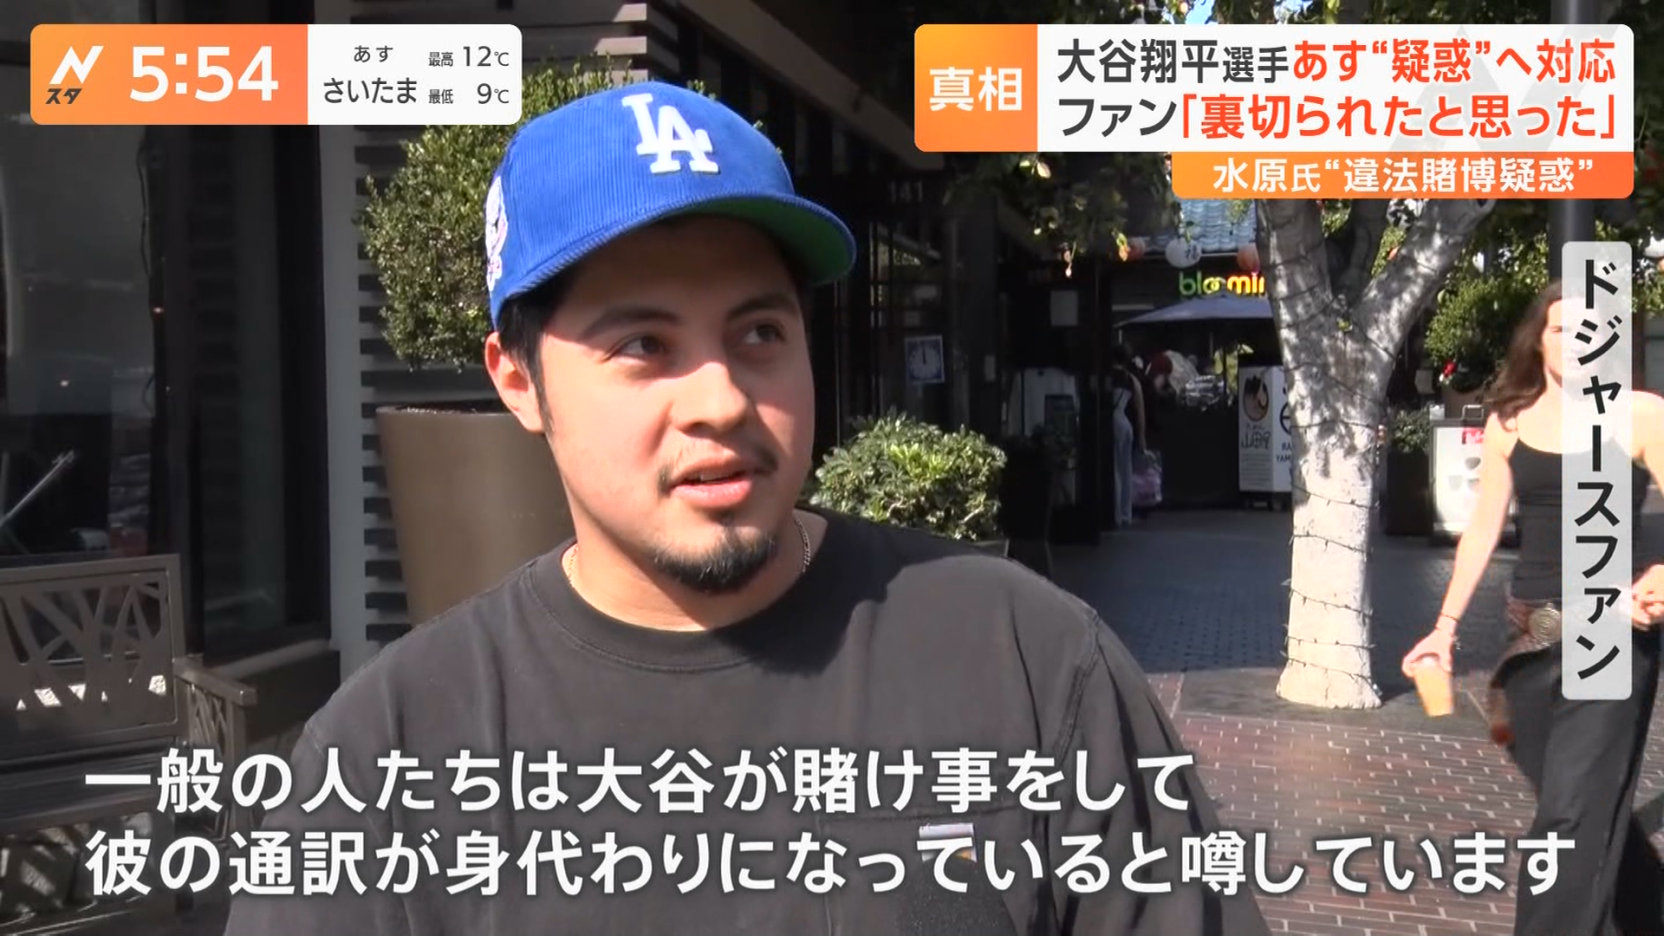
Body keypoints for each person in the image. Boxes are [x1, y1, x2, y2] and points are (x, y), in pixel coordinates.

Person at [222, 82, 1269, 936]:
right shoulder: (389, 754)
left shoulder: (1028, 660)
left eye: (759, 333)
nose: (721, 400)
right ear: (517, 380)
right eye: (644, 346)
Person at [1401, 280, 1664, 936]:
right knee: (1581, 804)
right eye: (1561, 329)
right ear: (1538, 341)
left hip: (1613, 630)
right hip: (1532, 635)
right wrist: (1443, 629)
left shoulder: (1640, 414)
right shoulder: (1510, 422)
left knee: (1568, 818)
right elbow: (1483, 529)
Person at [1108, 345, 1148, 527]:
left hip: (1111, 422)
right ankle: (1126, 513)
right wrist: (1142, 436)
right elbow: (1140, 411)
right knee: (1126, 469)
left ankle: (1115, 514)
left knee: (1114, 469)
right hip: (1125, 424)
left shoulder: (1106, 377)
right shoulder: (1131, 379)